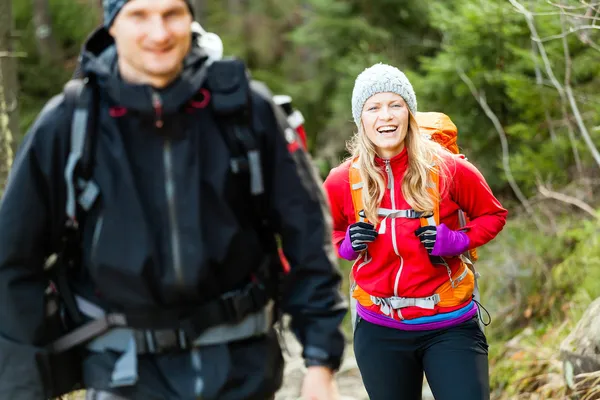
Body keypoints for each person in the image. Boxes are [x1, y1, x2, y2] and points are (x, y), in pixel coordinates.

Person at [0, 0, 347, 399]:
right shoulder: (71, 122)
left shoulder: (245, 110)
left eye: (171, 14)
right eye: (139, 15)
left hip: (241, 372)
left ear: (190, 18)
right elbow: (13, 260)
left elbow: (307, 233)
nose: (159, 33)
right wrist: (22, 387)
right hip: (122, 374)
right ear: (111, 24)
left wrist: (320, 362)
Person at [323, 63, 508, 400]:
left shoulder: (449, 168)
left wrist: (458, 240)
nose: (386, 116)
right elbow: (327, 233)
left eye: (395, 104)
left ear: (409, 112)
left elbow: (492, 215)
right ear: (360, 119)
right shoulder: (342, 180)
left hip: (450, 322)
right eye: (373, 107)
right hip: (380, 327)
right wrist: (347, 245)